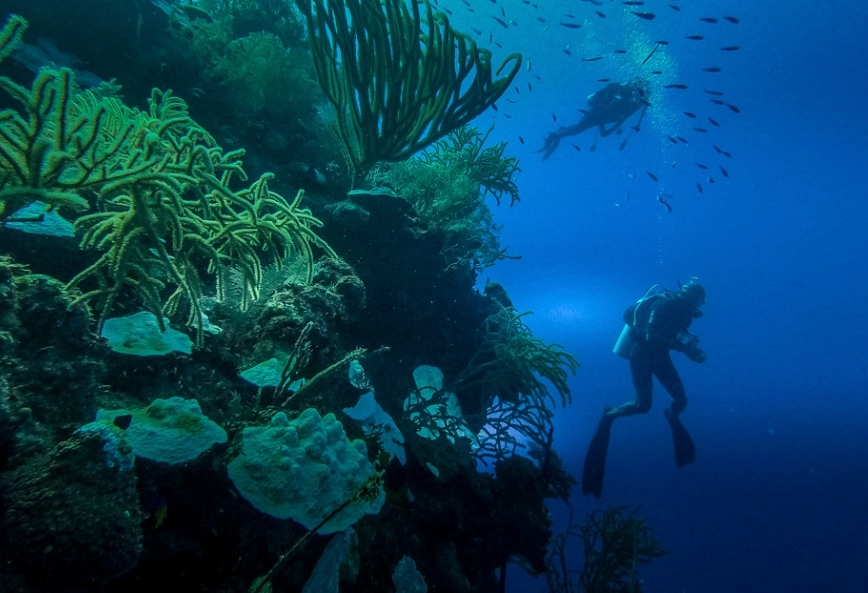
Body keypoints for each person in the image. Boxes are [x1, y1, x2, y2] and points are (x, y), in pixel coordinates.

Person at [582, 278, 707, 498]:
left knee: (681, 402)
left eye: (695, 301)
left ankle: (671, 414)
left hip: (660, 356)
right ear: (686, 296)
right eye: (691, 299)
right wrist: (685, 351)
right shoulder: (663, 304)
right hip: (641, 353)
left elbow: (674, 334)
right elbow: (652, 335)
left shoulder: (685, 314)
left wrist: (691, 347)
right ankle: (610, 415)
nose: (692, 304)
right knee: (643, 406)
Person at [538, 80, 649, 159]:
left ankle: (558, 134)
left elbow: (610, 128)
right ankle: (557, 136)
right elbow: (612, 123)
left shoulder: (631, 105)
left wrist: (603, 123)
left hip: (602, 115)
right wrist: (603, 122)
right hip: (600, 113)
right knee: (578, 129)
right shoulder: (630, 102)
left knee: (578, 128)